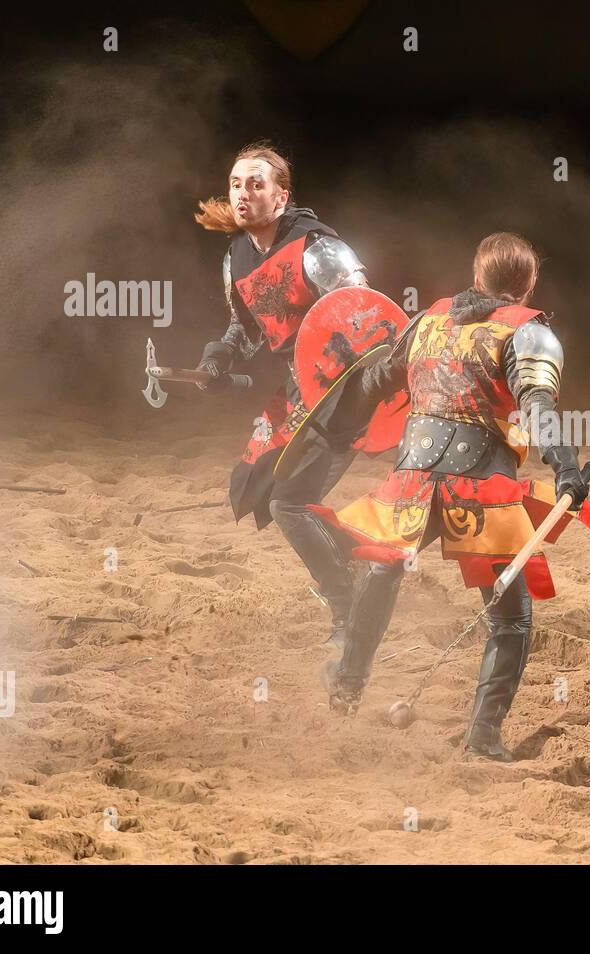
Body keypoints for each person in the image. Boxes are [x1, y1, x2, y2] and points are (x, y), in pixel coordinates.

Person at [311, 232, 590, 761]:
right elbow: (537, 407)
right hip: (481, 486)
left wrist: (325, 429)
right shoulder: (526, 332)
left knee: (384, 570)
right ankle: (483, 737)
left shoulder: (427, 321)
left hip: (415, 476)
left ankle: (347, 687)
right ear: (529, 284)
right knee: (509, 617)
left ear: (476, 277)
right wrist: (566, 467)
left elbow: (378, 378)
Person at [193, 140, 402, 651]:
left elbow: (367, 321)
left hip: (349, 386)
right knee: (258, 482)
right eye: (236, 184)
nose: (243, 194)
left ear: (281, 197)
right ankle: (377, 571)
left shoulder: (318, 248)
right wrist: (219, 357)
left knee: (291, 501)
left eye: (256, 184)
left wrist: (353, 395)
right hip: (302, 385)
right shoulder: (236, 257)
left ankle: (348, 606)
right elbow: (246, 330)